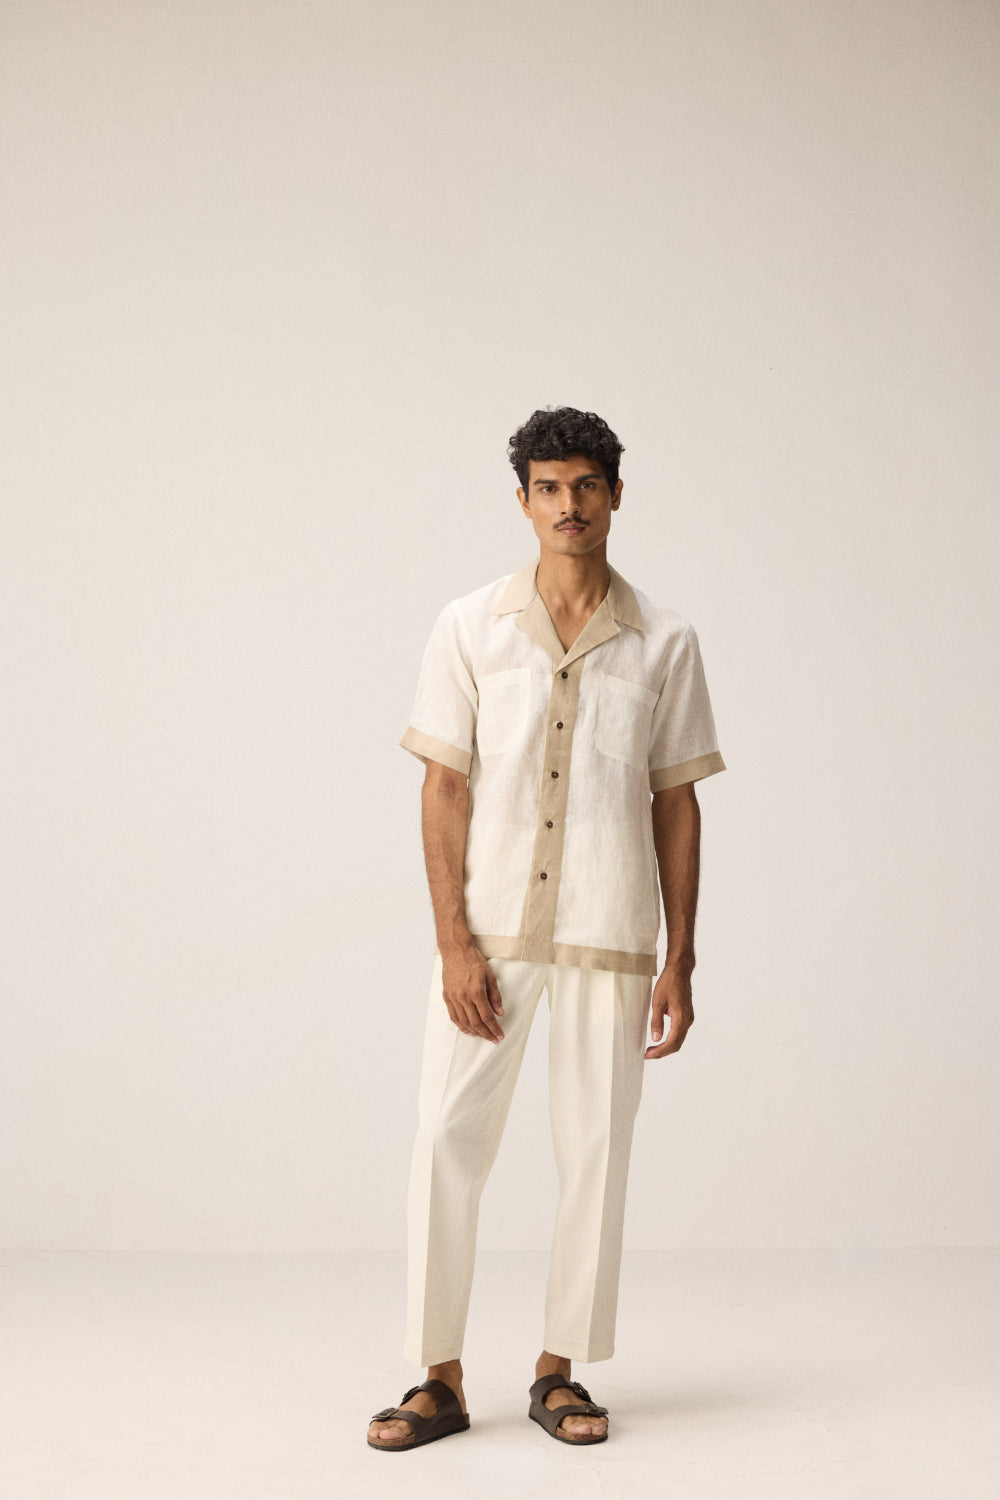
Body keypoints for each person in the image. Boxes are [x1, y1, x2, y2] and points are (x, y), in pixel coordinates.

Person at [367, 406, 726, 1450]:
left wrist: (680, 959)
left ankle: (560, 1370)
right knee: (445, 1138)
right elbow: (443, 787)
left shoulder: (665, 641)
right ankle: (435, 1376)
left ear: (616, 495)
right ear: (522, 500)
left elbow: (675, 802)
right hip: (489, 936)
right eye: (549, 488)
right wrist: (452, 942)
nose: (569, 506)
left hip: (611, 934)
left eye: (586, 486)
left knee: (596, 1151)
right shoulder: (468, 626)